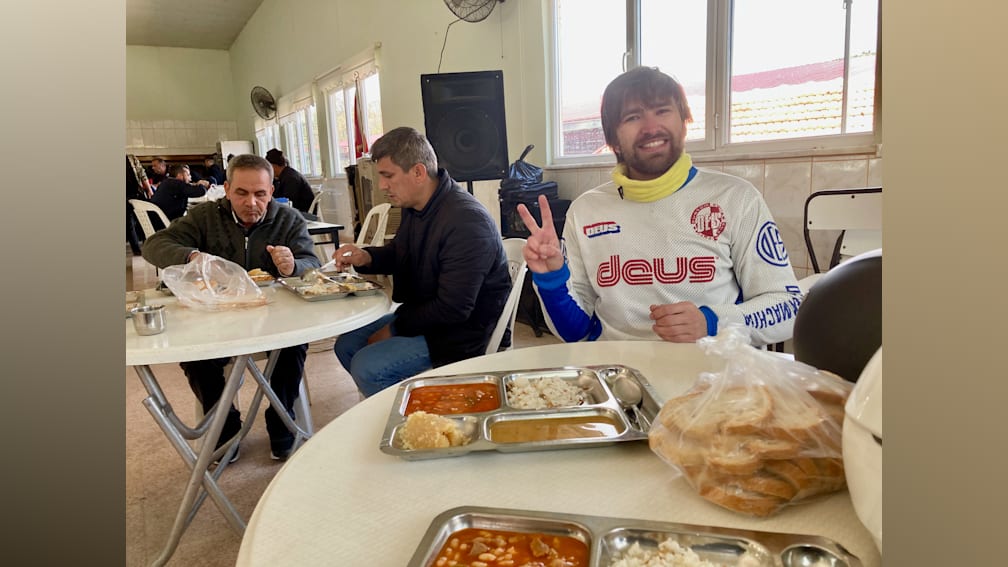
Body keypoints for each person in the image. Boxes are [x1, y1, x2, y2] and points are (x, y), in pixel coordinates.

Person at [518, 66, 802, 348]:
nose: (651, 127)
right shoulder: (586, 211)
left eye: (662, 110)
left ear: (684, 122)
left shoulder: (736, 198)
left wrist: (713, 322)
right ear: (613, 138)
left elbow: (788, 307)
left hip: (713, 380)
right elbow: (575, 333)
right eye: (633, 117)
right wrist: (551, 279)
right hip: (618, 380)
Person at [141, 153, 321, 461]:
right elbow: (154, 245)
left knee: (293, 344)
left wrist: (293, 264)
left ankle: (281, 420)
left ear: (271, 192)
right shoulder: (205, 216)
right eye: (242, 192)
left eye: (260, 194)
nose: (251, 202)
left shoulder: (288, 219)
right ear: (226, 188)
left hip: (274, 318)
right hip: (215, 320)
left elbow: (312, 263)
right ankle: (224, 422)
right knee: (195, 355)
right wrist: (192, 256)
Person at [331, 127, 512, 397]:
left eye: (388, 176)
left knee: (368, 367)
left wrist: (393, 329)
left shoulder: (466, 222)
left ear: (417, 172)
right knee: (346, 345)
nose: (382, 185)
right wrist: (366, 256)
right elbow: (402, 253)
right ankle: (398, 407)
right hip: (431, 316)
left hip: (465, 333)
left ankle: (420, 425)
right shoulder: (416, 206)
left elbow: (454, 309)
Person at [149, 164, 209, 229]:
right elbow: (200, 192)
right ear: (180, 175)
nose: (190, 177)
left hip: (156, 221)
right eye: (188, 175)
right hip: (166, 223)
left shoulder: (166, 182)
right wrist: (201, 184)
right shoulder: (177, 184)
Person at [264, 148, 316, 213]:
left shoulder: (291, 178)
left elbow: (288, 202)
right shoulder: (286, 175)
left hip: (301, 212)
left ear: (273, 165)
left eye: (267, 167)